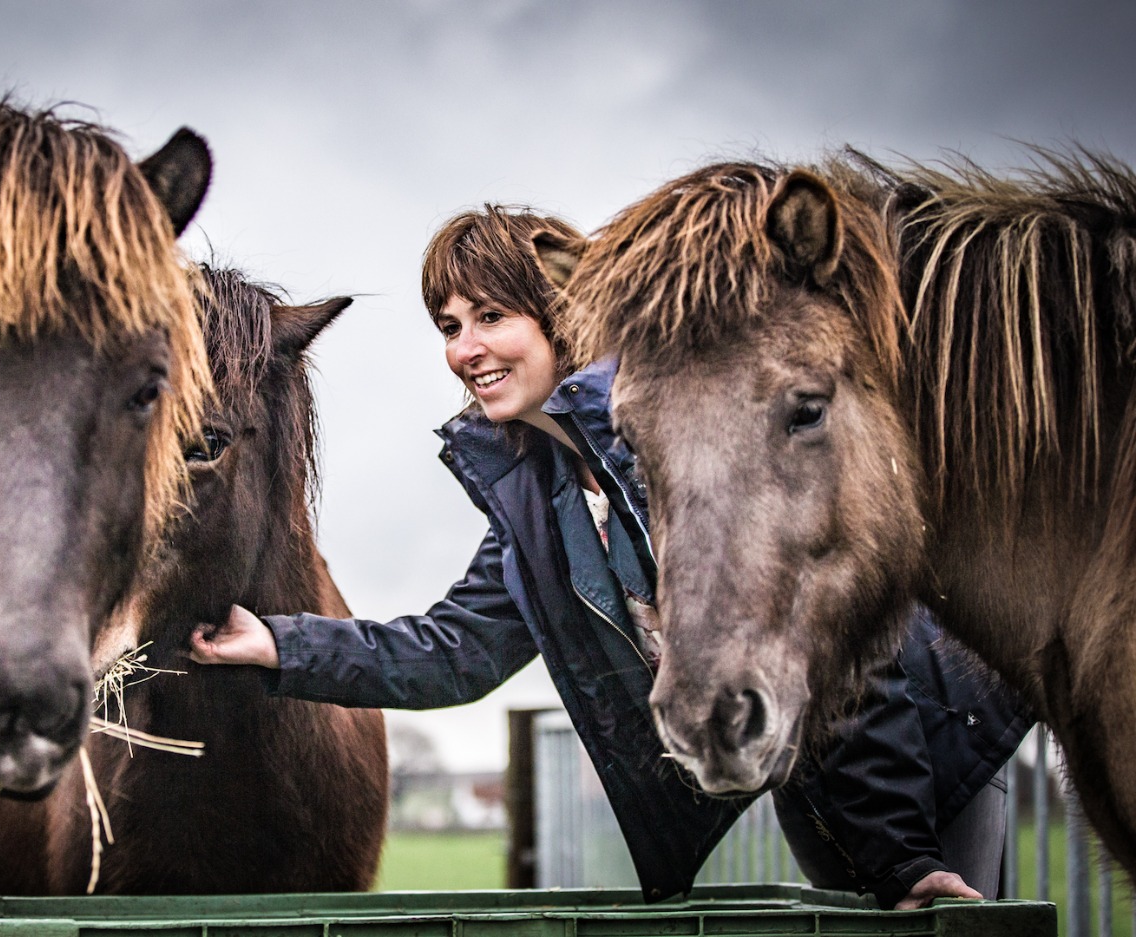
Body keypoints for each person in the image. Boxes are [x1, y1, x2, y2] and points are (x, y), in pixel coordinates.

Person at [189, 205, 1032, 908]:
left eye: (492, 317)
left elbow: (848, 644)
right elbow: (453, 652)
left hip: (922, 741)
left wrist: (906, 854)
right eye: (449, 326)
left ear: (558, 310)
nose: (466, 348)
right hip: (806, 762)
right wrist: (278, 644)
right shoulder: (545, 498)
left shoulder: (672, 439)